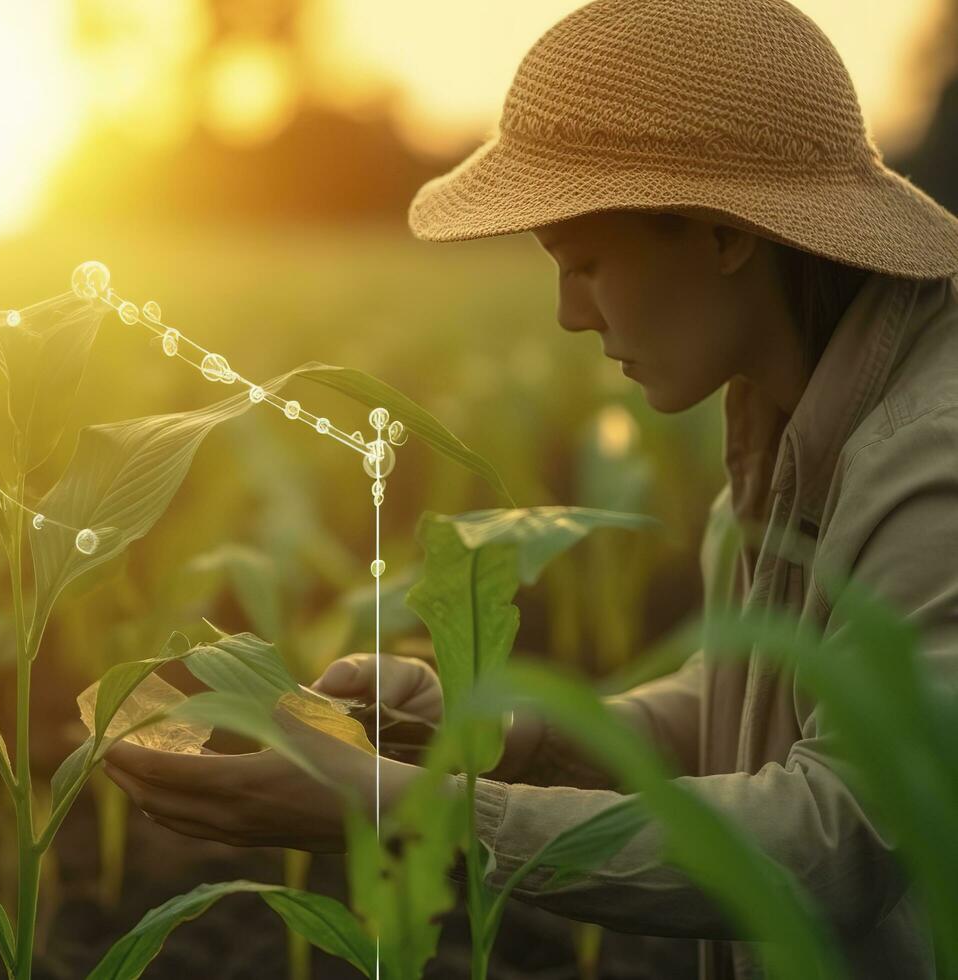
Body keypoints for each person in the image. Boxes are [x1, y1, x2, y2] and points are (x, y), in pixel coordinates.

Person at [102, 1, 958, 976]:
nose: (566, 313)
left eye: (585, 262)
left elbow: (842, 840)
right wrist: (496, 737)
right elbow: (744, 708)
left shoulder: (934, 461)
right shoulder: (786, 411)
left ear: (724, 237)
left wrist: (408, 809)